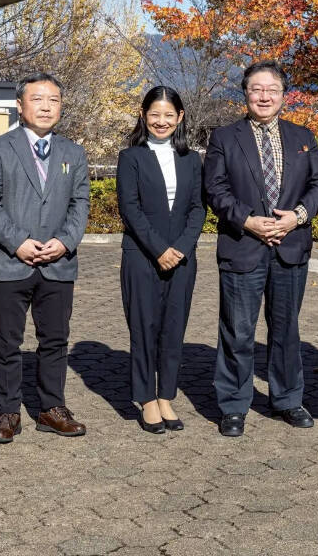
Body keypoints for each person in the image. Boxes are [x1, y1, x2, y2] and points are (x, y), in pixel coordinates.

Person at [203, 60, 318, 437]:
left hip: (291, 245)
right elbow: (215, 189)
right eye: (256, 89)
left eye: (271, 89)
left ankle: (288, 399)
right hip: (243, 245)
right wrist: (248, 221)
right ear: (245, 93)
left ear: (283, 95)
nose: (264, 96)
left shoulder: (302, 136)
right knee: (238, 330)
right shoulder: (225, 137)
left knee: (286, 329)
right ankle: (233, 405)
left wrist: (298, 217)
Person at [0, 72, 90, 444]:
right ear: (20, 105)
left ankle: (50, 409)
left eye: (53, 100)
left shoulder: (73, 152)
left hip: (58, 263)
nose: (45, 106)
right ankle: (7, 412)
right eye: (37, 99)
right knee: (6, 342)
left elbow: (80, 203)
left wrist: (65, 241)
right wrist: (19, 242)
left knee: (55, 340)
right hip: (10, 261)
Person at [116, 86, 206, 434]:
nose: (161, 121)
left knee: (173, 329)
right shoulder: (131, 157)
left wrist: (180, 248)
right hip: (141, 256)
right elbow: (130, 209)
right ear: (143, 115)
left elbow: (198, 208)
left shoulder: (191, 159)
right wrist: (158, 250)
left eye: (169, 115)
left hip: (182, 258)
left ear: (180, 117)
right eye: (155, 114)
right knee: (143, 328)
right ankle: (146, 398)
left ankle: (166, 394)